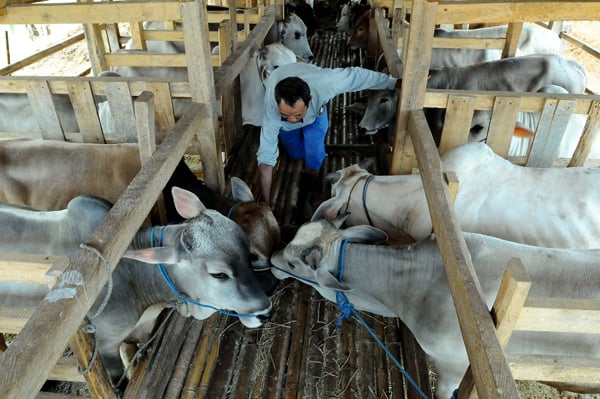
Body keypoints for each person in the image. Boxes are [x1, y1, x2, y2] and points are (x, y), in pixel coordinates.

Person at [256, 62, 400, 224]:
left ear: (309, 99)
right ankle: (301, 144)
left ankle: (306, 198)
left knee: (315, 155)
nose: (292, 119)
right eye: (285, 114)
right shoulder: (272, 109)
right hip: (286, 128)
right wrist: (265, 206)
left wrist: (392, 82)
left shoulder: (326, 83)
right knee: (296, 153)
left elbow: (355, 76)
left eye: (296, 115)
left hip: (316, 116)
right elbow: (266, 161)